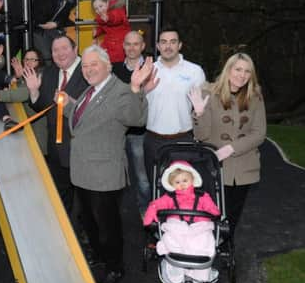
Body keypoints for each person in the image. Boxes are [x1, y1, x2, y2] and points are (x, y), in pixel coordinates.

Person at [61, 44, 151, 283]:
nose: (89, 70)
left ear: (108, 65)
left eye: (94, 65)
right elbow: (86, 122)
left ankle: (115, 267)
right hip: (82, 172)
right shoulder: (88, 92)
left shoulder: (121, 91)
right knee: (89, 221)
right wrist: (69, 104)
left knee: (107, 226)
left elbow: (136, 118)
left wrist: (135, 89)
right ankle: (100, 258)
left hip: (104, 174)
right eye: (86, 66)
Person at [189, 52, 266, 238]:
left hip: (243, 167)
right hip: (214, 167)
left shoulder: (255, 96)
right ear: (228, 70)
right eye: (238, 69)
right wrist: (199, 113)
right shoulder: (209, 93)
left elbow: (259, 133)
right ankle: (207, 250)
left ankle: (227, 250)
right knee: (210, 214)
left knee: (232, 216)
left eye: (247, 71)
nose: (242, 75)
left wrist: (232, 148)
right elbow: (202, 135)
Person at [26, 35, 88, 213]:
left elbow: (94, 108)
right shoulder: (50, 73)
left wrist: (71, 103)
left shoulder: (88, 70)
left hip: (80, 148)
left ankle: (82, 234)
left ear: (75, 49)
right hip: (55, 148)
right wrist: (34, 92)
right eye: (55, 50)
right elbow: (42, 107)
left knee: (84, 200)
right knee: (62, 200)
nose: (60, 54)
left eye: (64, 48)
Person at [144, 27, 205, 185]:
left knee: (183, 188)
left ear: (180, 45)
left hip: (183, 140)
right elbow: (134, 101)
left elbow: (203, 107)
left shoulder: (194, 71)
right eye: (163, 42)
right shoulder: (147, 70)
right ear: (157, 46)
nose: (168, 46)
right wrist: (142, 90)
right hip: (153, 140)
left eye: (173, 42)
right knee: (155, 187)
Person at [143, 160, 220, 283]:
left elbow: (212, 209)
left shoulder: (202, 196)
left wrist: (213, 210)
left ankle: (199, 275)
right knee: (170, 239)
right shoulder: (170, 197)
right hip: (177, 224)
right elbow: (156, 204)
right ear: (171, 184)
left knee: (205, 241)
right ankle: (175, 274)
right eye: (177, 182)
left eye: (185, 180)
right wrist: (151, 211)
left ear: (192, 179)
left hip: (199, 226)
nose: (182, 184)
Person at [113, 31, 151, 217]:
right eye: (128, 44)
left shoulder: (151, 68)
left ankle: (146, 211)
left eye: (136, 44)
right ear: (123, 46)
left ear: (143, 46)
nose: (132, 47)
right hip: (116, 131)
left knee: (142, 177)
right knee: (116, 174)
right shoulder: (114, 69)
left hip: (139, 131)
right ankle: (119, 212)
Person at [0, 48, 48, 155]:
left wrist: (0, 95)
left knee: (40, 157)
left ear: (39, 61)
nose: (29, 62)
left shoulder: (41, 75)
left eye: (33, 59)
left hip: (38, 127)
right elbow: (19, 89)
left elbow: (25, 93)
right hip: (27, 124)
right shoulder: (25, 75)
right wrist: (18, 77)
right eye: (26, 59)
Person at [32, 0, 77, 64]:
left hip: (53, 29)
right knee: (48, 56)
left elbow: (64, 18)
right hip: (38, 29)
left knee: (70, 51)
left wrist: (56, 24)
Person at [91, 0, 131, 64]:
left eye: (101, 6)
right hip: (110, 42)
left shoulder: (118, 9)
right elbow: (104, 27)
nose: (99, 10)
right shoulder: (102, 17)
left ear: (107, 3)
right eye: (96, 9)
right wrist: (97, 32)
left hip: (121, 42)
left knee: (116, 60)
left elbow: (117, 18)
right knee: (101, 56)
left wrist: (109, 18)